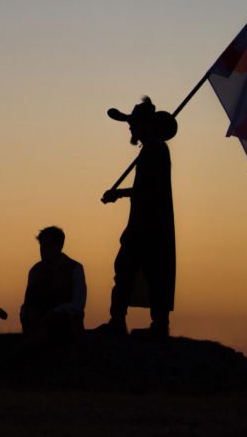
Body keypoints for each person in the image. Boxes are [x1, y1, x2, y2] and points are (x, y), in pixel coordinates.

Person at [96, 97, 177, 341]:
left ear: (145, 125)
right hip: (143, 223)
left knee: (149, 273)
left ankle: (155, 325)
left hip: (150, 226)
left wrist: (118, 194)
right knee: (128, 270)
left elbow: (148, 190)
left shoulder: (156, 151)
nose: (130, 127)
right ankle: (120, 321)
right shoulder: (151, 150)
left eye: (133, 123)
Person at [20, 226, 86, 343]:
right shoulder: (35, 271)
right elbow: (28, 301)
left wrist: (56, 311)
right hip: (40, 321)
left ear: (59, 246)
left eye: (47, 246)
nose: (43, 250)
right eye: (42, 246)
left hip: (65, 323)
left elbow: (78, 304)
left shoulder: (75, 269)